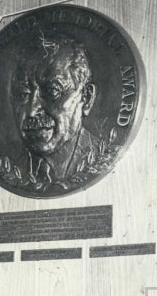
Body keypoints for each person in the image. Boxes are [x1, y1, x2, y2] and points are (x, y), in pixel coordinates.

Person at [6, 31, 107, 188]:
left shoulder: (103, 156)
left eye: (52, 92)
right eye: (22, 94)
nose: (32, 111)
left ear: (86, 98)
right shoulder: (10, 166)